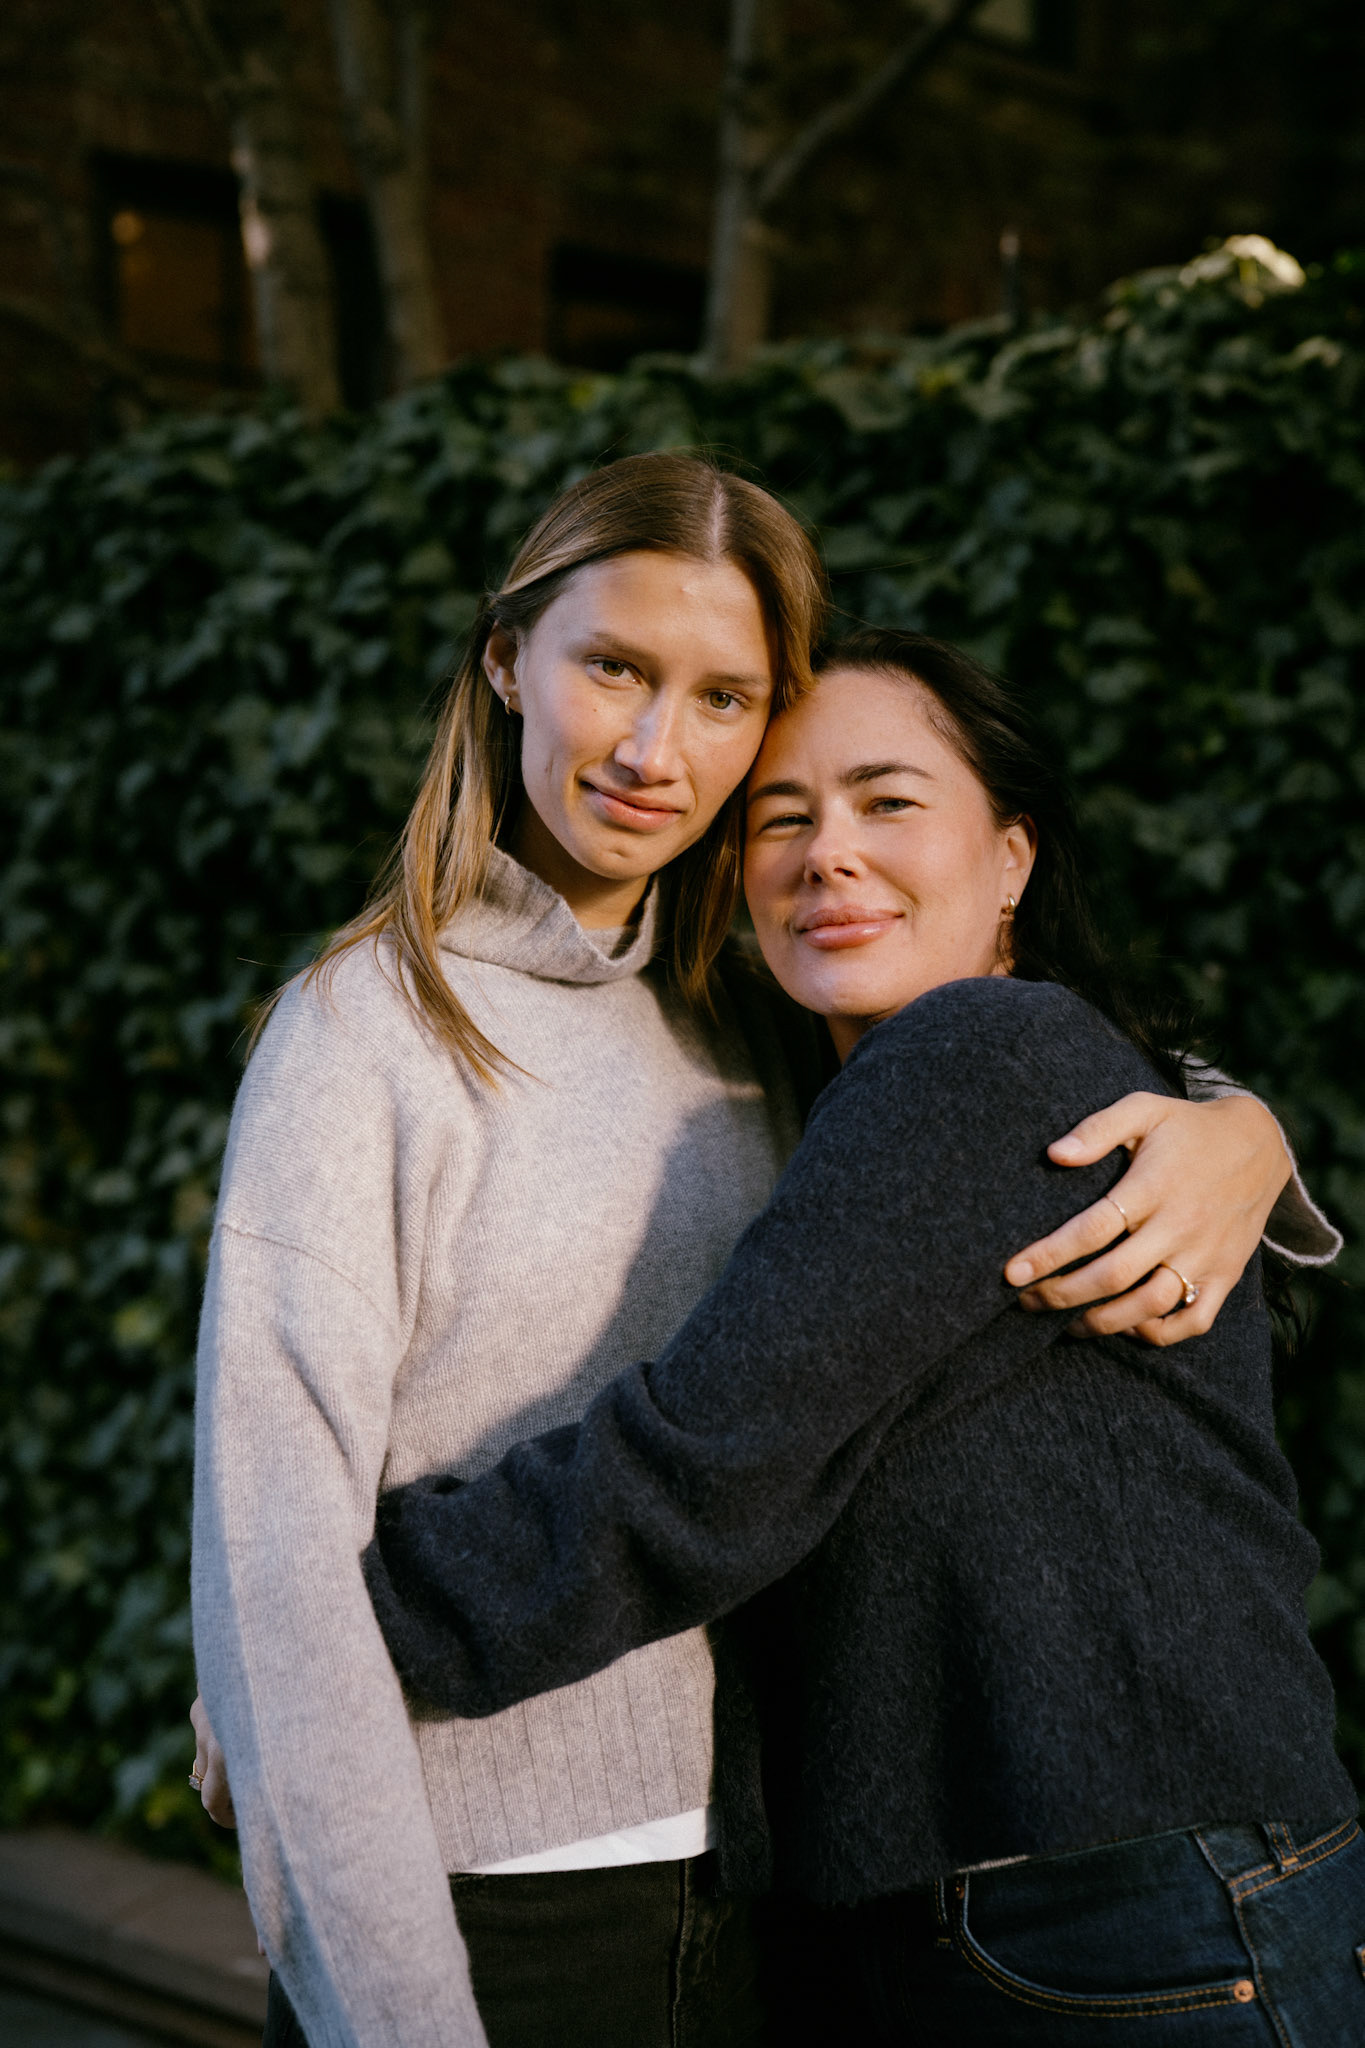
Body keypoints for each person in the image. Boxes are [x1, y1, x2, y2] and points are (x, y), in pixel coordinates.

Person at [189, 457, 1332, 2048]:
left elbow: (716, 1456)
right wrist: (284, 1663)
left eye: (725, 700)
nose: (660, 749)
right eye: (613, 668)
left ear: (1010, 854)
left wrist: (1241, 1132)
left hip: (1025, 1907)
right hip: (613, 1897)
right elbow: (283, 1506)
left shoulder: (848, 1047)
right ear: (504, 660)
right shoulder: (434, 1034)